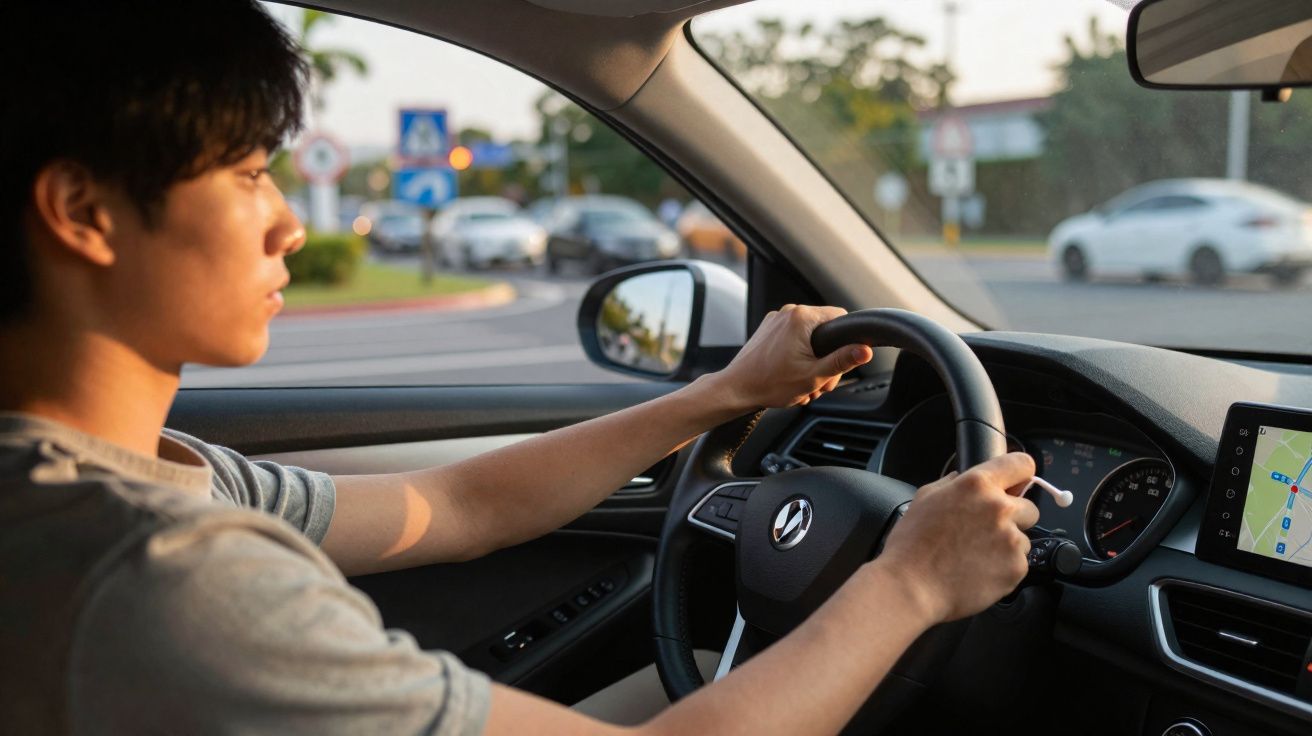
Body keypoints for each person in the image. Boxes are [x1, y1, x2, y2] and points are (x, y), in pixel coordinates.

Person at [0, 2, 1040, 734]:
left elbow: (453, 503)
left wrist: (726, 393)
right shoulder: (155, 575)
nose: (287, 226)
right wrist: (908, 581)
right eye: (248, 172)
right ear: (85, 212)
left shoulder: (126, 481)